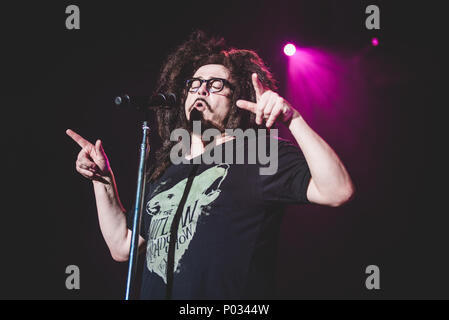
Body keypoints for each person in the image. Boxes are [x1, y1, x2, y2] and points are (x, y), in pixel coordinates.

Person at [66, 31, 354, 300]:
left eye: (216, 84)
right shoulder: (166, 171)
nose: (202, 90)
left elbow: (336, 190)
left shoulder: (257, 153)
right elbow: (122, 245)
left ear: (239, 97)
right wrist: (101, 179)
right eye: (195, 83)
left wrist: (293, 119)